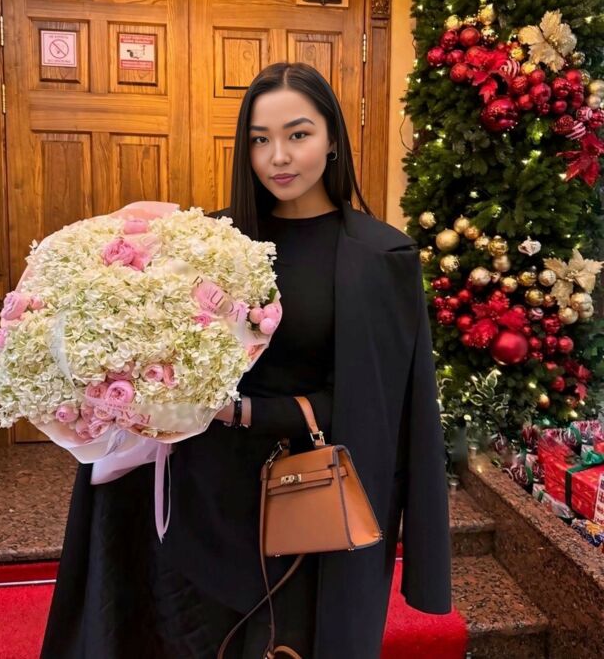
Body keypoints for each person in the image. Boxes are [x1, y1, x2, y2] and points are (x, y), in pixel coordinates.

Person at [41, 61, 451, 659]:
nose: (278, 156)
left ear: (332, 139)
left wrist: (243, 412)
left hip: (309, 501)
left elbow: (376, 407)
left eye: (298, 134)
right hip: (200, 496)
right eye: (260, 139)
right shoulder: (206, 240)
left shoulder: (380, 256)